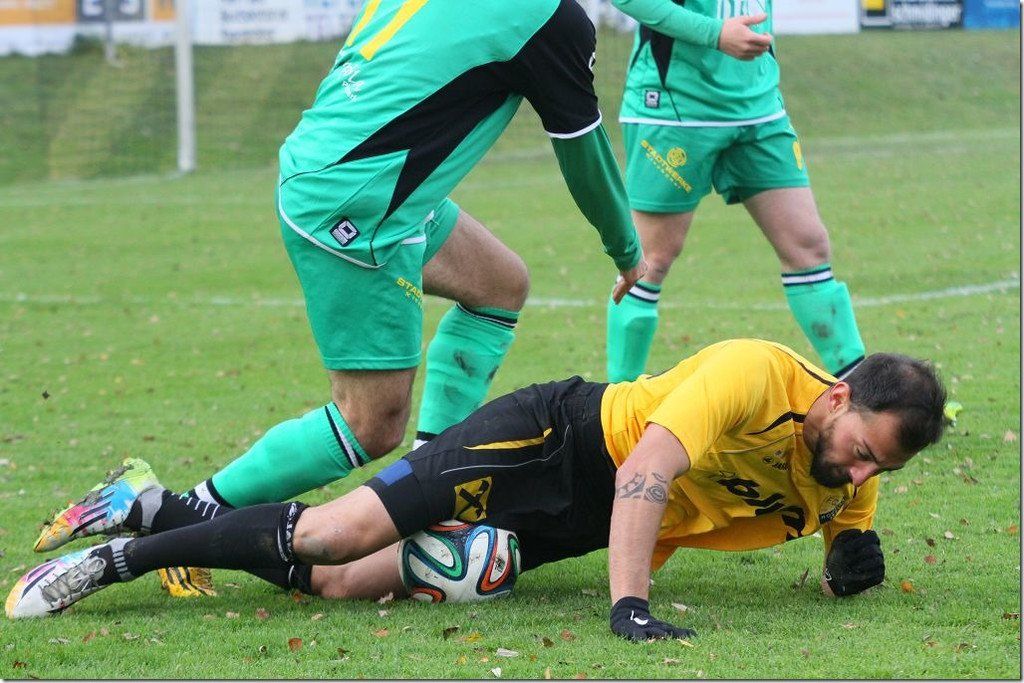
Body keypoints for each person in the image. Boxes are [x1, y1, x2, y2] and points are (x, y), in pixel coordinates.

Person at [30, 0, 648, 595]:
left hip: (351, 179)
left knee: (499, 284)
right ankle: (167, 512)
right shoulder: (552, 18)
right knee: (370, 422)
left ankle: (430, 495)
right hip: (360, 204)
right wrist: (625, 247)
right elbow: (583, 150)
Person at [9, 339, 947, 641]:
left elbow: (845, 536)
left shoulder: (846, 481)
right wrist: (629, 607)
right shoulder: (755, 372)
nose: (863, 474)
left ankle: (153, 504)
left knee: (341, 582)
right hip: (552, 439)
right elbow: (647, 473)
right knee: (331, 536)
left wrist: (848, 565)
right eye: (865, 449)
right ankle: (122, 556)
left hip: (573, 524)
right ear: (836, 396)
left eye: (882, 470)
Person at [603, 0, 866, 383]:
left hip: (759, 107)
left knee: (808, 247)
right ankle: (615, 406)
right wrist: (716, 33)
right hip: (675, 108)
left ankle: (864, 395)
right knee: (648, 262)